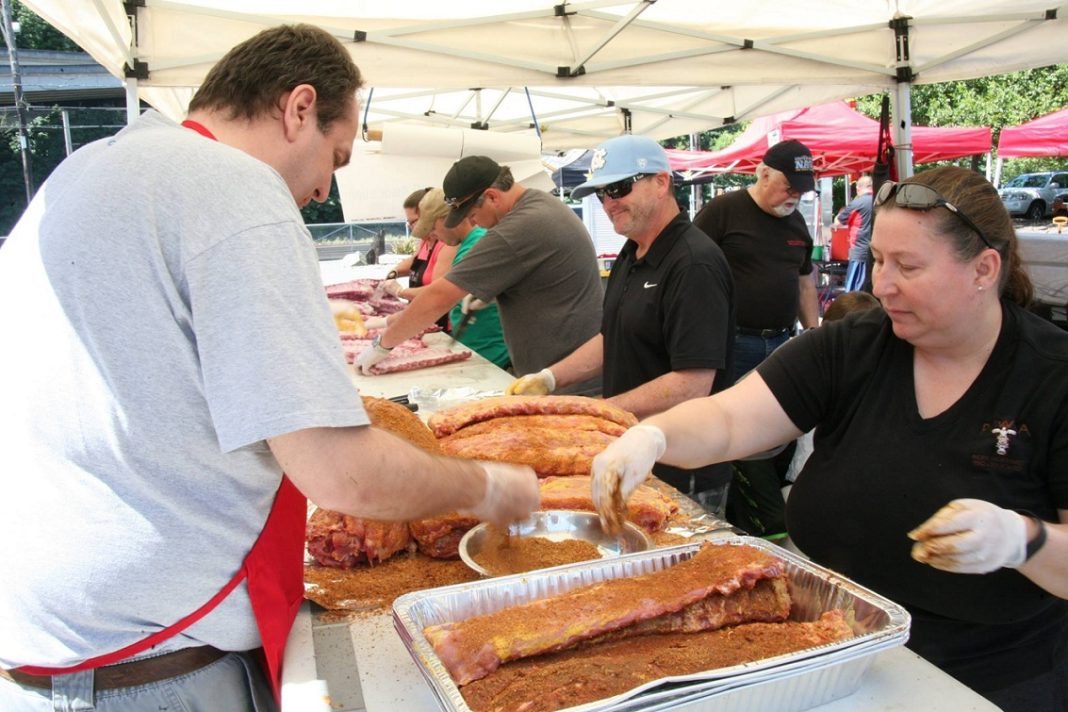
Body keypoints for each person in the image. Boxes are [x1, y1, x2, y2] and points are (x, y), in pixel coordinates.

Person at [0, 25, 538, 712]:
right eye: (335, 161)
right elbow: (339, 471)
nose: (322, 192)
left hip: (55, 652)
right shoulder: (234, 187)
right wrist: (488, 488)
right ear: (298, 108)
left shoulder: (87, 168)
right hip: (148, 670)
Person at [591, 166, 1068, 711]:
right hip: (829, 650)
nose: (881, 284)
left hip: (983, 681)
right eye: (881, 260)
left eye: (907, 266)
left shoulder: (1052, 377)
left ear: (984, 269)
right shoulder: (854, 345)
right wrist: (651, 437)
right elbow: (729, 420)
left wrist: (1023, 539)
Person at [507, 135, 736, 514]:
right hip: (631, 452)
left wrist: (601, 411)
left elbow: (692, 383)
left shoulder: (695, 264)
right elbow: (612, 338)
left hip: (682, 465)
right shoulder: (632, 252)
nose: (609, 202)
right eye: (601, 193)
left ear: (661, 182)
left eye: (618, 188)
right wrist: (549, 377)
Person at [357, 155, 603, 395]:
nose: (472, 222)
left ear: (492, 197)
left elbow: (439, 296)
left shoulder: (517, 228)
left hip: (568, 381)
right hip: (564, 372)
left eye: (471, 215)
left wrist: (382, 345)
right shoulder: (539, 204)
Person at [691, 139, 820, 539]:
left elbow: (804, 284)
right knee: (736, 436)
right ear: (762, 173)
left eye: (802, 188)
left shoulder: (796, 223)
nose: (795, 195)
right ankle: (748, 523)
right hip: (735, 343)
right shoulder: (723, 211)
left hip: (782, 343)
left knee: (779, 437)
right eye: (788, 185)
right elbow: (690, 271)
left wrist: (813, 335)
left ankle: (762, 518)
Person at [372, 189, 511, 368]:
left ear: (446, 219)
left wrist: (382, 344)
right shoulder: (466, 243)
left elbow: (438, 298)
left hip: (492, 353)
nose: (432, 235)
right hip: (472, 347)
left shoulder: (476, 246)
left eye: (432, 228)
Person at [380, 187, 457, 329]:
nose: (411, 228)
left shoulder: (448, 244)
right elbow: (414, 261)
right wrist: (393, 274)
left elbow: (436, 293)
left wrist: (400, 292)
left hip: (440, 324)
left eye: (414, 222)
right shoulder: (425, 241)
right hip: (422, 319)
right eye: (408, 223)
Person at [834, 174, 874, 292]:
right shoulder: (880, 201)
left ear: (859, 188)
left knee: (852, 293)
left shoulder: (857, 203)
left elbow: (838, 222)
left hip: (860, 253)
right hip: (878, 254)